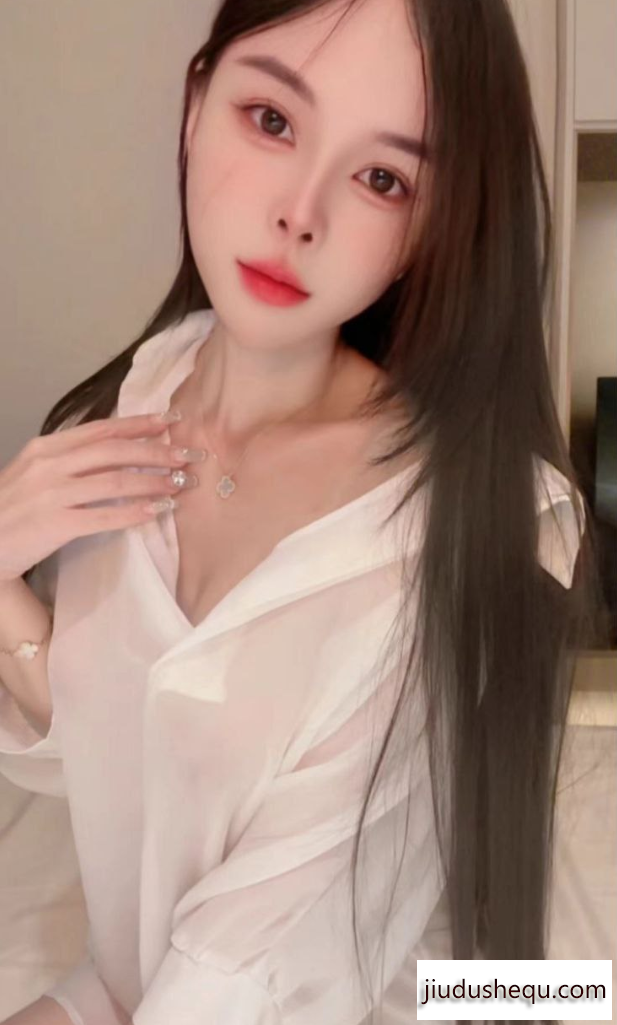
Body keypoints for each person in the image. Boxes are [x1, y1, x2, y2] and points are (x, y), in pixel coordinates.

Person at [0, 0, 607, 1022]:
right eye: (272, 120)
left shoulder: (444, 527)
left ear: (426, 231)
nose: (300, 214)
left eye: (382, 178)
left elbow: (244, 976)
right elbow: (114, 769)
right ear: (194, 108)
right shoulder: (135, 406)